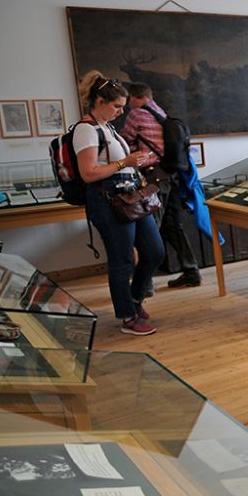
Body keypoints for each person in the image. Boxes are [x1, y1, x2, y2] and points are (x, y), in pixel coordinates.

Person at [74, 72, 164, 335]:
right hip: (108, 201)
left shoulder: (108, 128)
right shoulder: (85, 130)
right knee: (122, 260)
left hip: (129, 196)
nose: (120, 112)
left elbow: (116, 165)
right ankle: (127, 316)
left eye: (122, 107)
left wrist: (134, 162)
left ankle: (135, 300)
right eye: (116, 106)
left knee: (154, 251)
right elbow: (89, 173)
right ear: (99, 101)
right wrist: (125, 162)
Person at [121, 82, 202, 289]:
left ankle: (145, 283)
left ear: (133, 97)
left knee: (150, 227)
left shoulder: (136, 114)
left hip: (153, 176)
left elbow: (125, 143)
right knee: (173, 224)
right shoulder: (160, 112)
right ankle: (191, 271)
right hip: (171, 174)